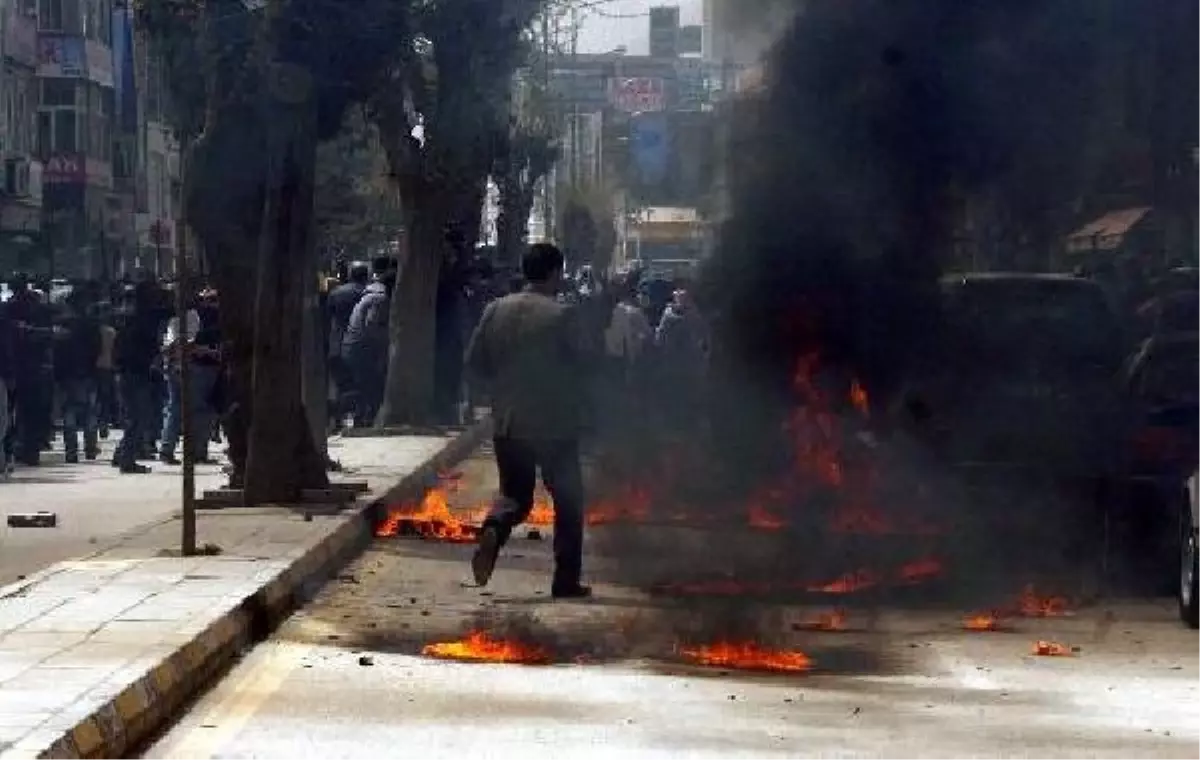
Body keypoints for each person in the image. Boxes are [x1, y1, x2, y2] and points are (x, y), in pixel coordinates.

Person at [465, 243, 591, 599]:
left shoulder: (495, 310)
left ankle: (495, 525)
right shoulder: (563, 315)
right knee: (568, 501)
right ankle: (565, 581)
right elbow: (583, 367)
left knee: (515, 496)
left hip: (508, 421)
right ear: (554, 272)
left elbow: (475, 362)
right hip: (555, 425)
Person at [112, 282, 162, 474]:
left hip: (130, 372)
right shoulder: (141, 320)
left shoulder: (128, 318)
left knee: (135, 417)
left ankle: (123, 453)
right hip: (134, 373)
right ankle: (127, 459)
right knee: (137, 418)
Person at [342, 261, 393, 427]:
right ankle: (363, 419)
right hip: (363, 348)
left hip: (352, 346)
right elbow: (372, 326)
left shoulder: (368, 296)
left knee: (363, 384)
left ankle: (360, 417)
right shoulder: (380, 299)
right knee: (370, 385)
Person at [54, 290, 102, 463]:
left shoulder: (62, 324)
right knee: (90, 411)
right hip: (87, 372)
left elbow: (57, 352)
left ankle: (71, 451)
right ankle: (90, 448)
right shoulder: (91, 324)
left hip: (66, 374)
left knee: (69, 412)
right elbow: (97, 349)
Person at [327, 261, 370, 429]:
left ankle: (337, 420)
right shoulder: (365, 294)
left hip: (336, 343)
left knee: (340, 385)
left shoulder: (336, 293)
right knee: (360, 384)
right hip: (359, 346)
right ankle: (359, 419)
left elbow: (327, 317)